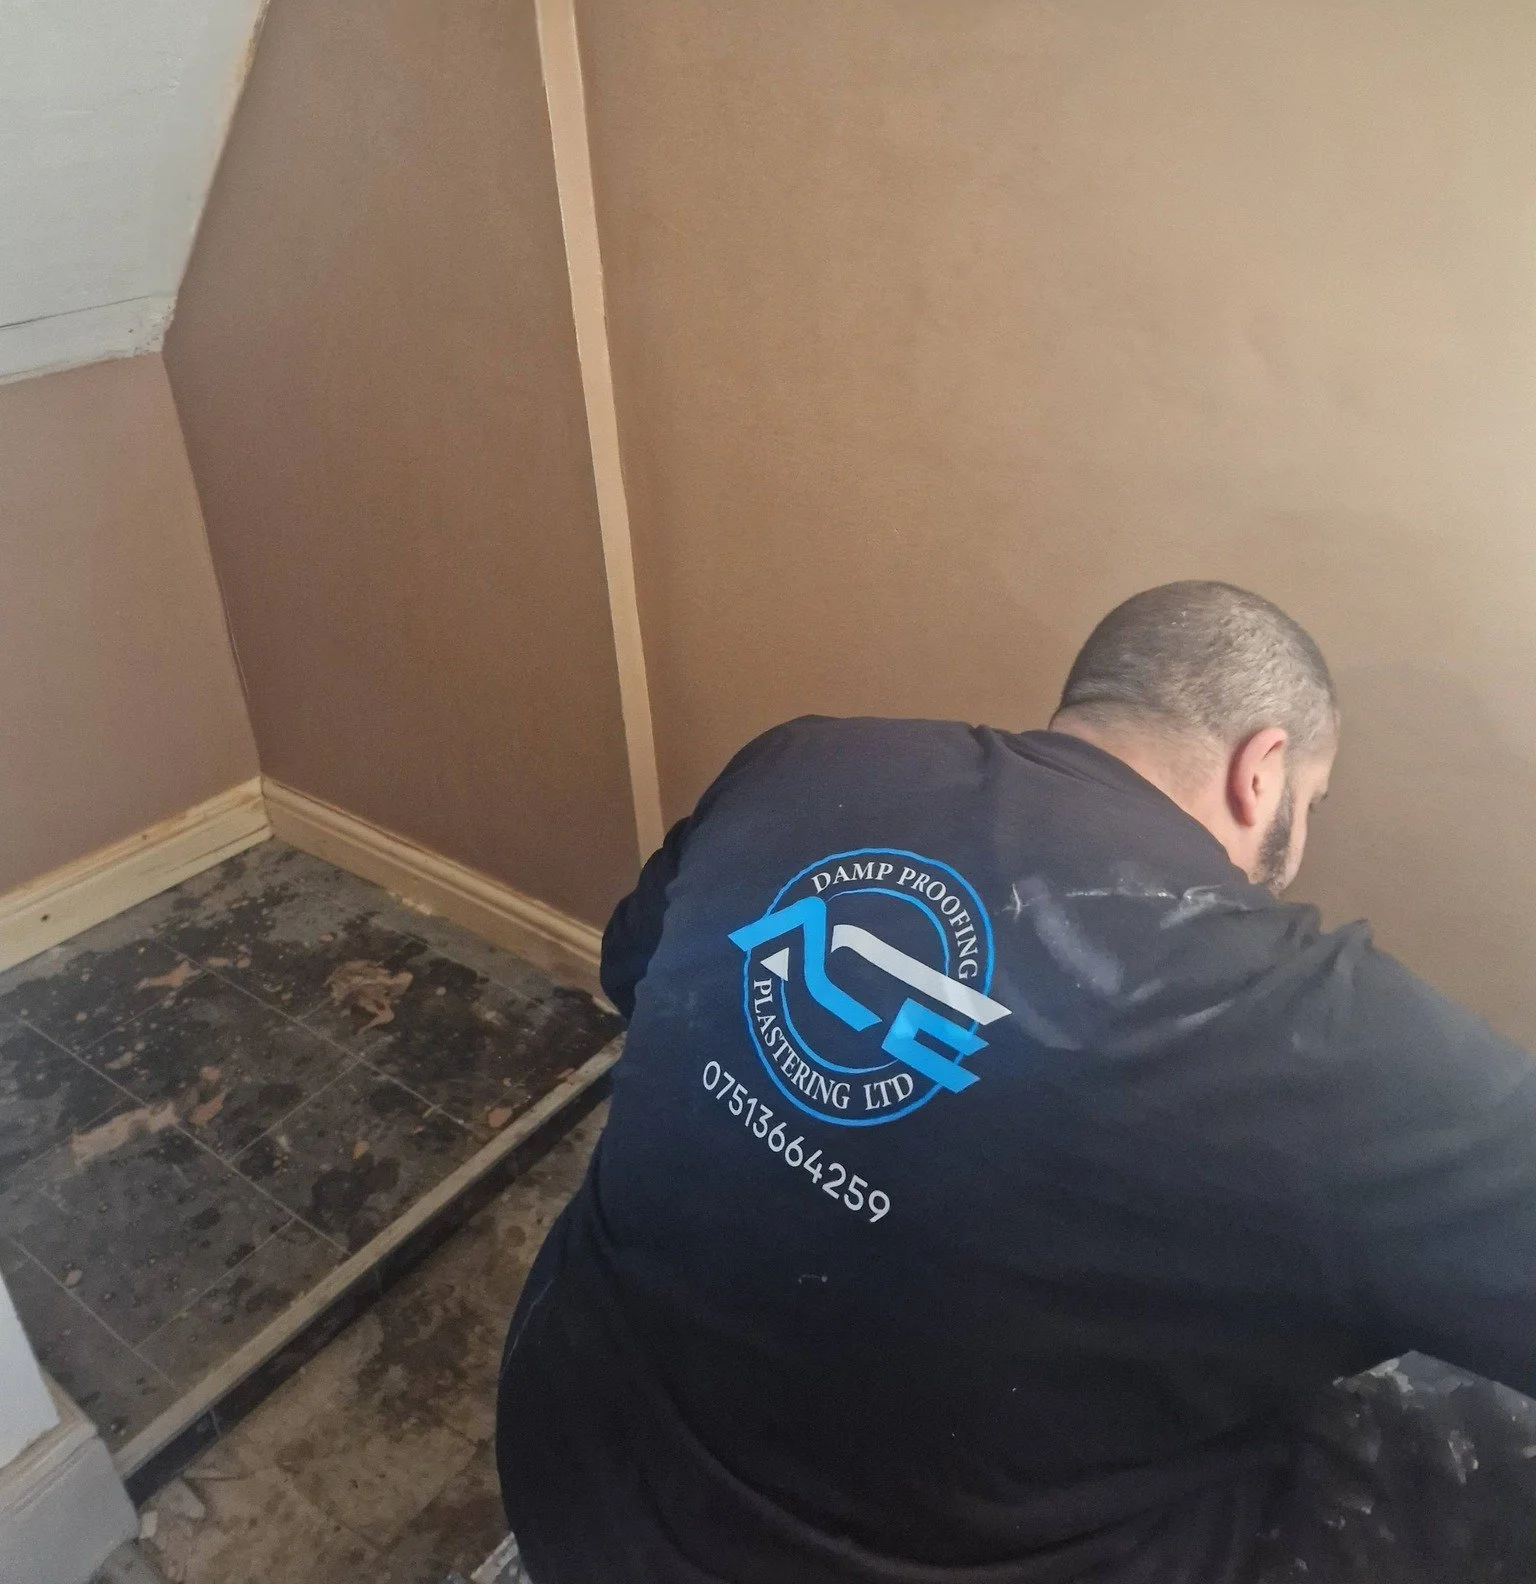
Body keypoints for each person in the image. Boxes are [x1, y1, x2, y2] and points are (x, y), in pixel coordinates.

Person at [496, 582, 1536, 1583]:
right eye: (1310, 801)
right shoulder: (1315, 1033)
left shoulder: (803, 759)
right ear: (1260, 771)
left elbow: (633, 966)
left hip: (566, 1454)